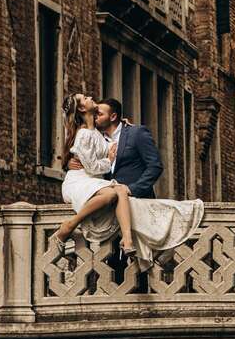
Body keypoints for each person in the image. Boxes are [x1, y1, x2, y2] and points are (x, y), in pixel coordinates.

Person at [65, 97, 205, 266]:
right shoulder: (95, 136)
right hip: (110, 211)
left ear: (113, 116)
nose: (95, 117)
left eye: (99, 114)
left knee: (142, 266)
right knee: (113, 264)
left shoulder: (136, 133)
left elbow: (155, 166)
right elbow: (82, 153)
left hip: (137, 201)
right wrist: (68, 163)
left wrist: (133, 189)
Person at [52, 93, 137, 260]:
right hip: (79, 181)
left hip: (91, 180)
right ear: (83, 108)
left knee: (120, 190)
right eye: (85, 98)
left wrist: (124, 127)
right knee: (112, 193)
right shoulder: (83, 134)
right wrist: (109, 161)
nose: (90, 97)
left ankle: (127, 241)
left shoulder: (95, 132)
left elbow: (112, 146)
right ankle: (70, 225)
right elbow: (92, 167)